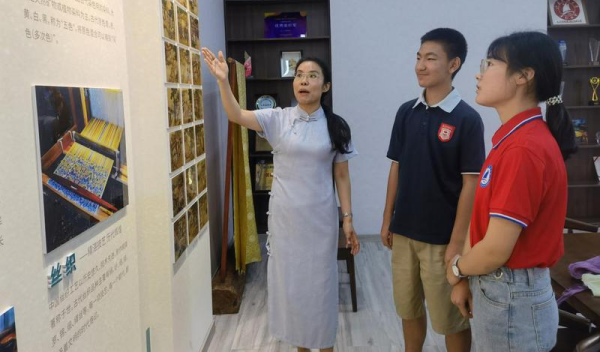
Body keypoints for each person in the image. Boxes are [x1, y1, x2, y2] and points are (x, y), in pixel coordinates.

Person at [201, 48, 360, 352]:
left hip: (320, 222)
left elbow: (342, 175)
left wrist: (348, 219)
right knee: (293, 289)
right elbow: (236, 115)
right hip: (286, 221)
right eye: (299, 75)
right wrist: (222, 81)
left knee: (321, 288)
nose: (304, 81)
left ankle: (325, 345)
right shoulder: (278, 118)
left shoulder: (337, 126)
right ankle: (301, 346)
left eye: (312, 76)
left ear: (325, 86)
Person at [446, 31, 577, 352]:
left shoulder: (523, 149)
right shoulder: (513, 139)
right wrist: (464, 275)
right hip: (500, 289)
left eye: (490, 64)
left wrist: (457, 268)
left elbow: (495, 249)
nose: (479, 74)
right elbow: (482, 223)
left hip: (511, 296)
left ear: (523, 75)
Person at [382, 28, 485, 352]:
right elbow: (396, 167)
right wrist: (387, 220)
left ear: (453, 64)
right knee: (408, 309)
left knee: (451, 318)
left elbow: (471, 184)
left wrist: (457, 242)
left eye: (430, 58)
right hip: (404, 233)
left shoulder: (467, 119)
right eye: (418, 57)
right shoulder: (406, 112)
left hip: (442, 239)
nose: (420, 66)